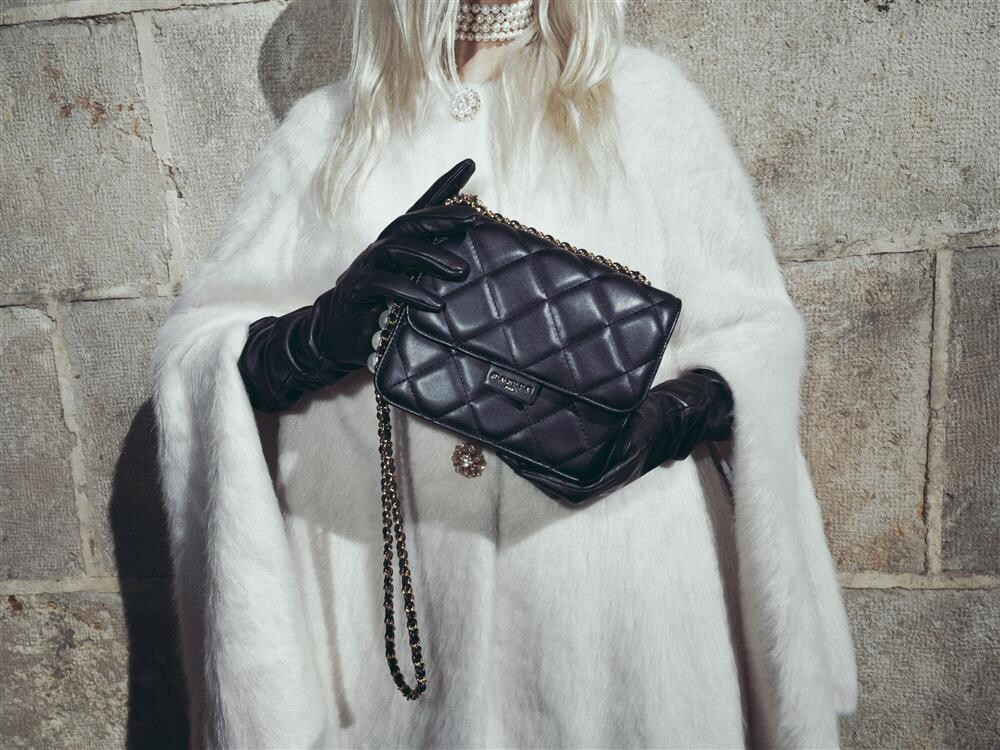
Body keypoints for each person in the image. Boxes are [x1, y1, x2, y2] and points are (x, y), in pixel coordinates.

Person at [151, 1, 858, 747]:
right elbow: (204, 352)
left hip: (612, 607)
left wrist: (659, 424)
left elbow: (753, 333)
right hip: (390, 615)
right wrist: (316, 336)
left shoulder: (644, 102)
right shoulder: (327, 131)